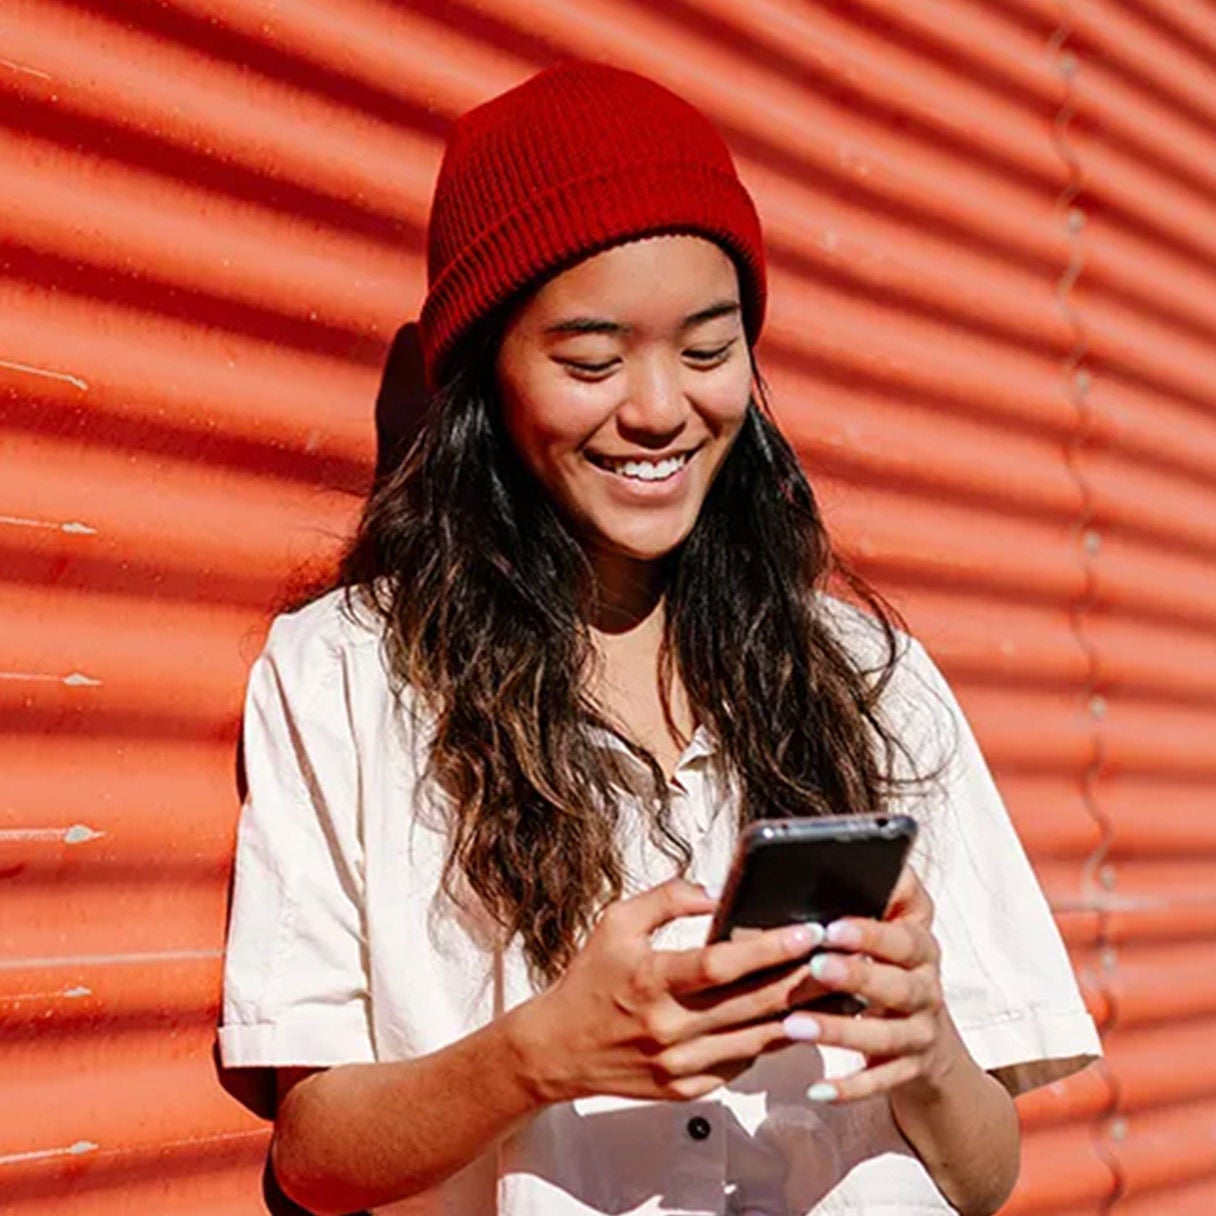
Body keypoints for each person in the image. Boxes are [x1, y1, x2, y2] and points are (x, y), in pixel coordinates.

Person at [218, 60, 1101, 1216]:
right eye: (590, 360)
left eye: (705, 349)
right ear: (487, 370)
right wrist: (545, 1052)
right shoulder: (348, 676)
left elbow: (984, 1176)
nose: (658, 410)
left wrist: (926, 1045)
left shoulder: (873, 683)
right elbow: (316, 1158)